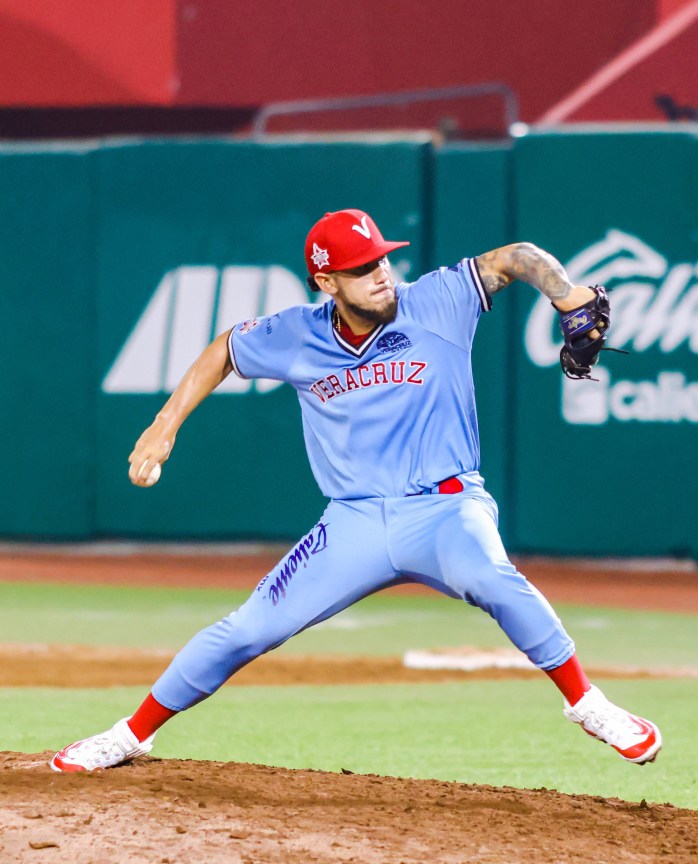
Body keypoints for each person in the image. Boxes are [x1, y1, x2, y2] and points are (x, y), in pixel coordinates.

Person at [50, 209, 660, 772]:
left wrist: (570, 297)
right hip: (354, 523)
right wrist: (165, 424)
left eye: (383, 259)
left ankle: (589, 704)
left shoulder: (438, 301)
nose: (381, 274)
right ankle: (131, 734)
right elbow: (225, 350)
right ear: (327, 282)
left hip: (445, 508)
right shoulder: (295, 335)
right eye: (361, 268)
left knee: (497, 580)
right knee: (246, 630)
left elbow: (518, 256)